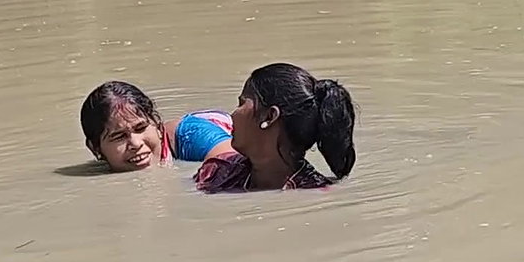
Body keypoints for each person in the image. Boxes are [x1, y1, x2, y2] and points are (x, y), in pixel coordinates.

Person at [194, 62, 357, 193]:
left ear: (269, 116)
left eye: (242, 103)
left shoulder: (314, 196)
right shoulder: (216, 172)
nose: (233, 114)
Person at [79, 81, 235, 172]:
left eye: (141, 128)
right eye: (119, 136)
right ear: (95, 149)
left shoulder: (191, 136)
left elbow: (233, 163)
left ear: (158, 126)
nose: (136, 143)